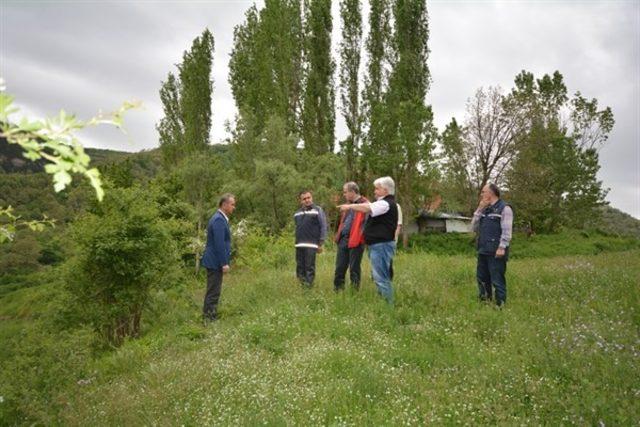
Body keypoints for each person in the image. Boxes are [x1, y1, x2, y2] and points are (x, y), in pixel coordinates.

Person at [339, 176, 398, 303]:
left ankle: (387, 305)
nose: (375, 191)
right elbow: (368, 205)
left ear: (386, 190)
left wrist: (349, 207)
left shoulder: (386, 203)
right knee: (379, 276)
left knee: (381, 277)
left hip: (381, 245)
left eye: (377, 189)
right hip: (377, 245)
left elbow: (367, 208)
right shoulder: (383, 203)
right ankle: (384, 302)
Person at [471, 183, 513, 307]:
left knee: (497, 279)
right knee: (482, 278)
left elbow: (507, 231)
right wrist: (479, 209)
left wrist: (502, 247)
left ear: (490, 193)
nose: (482, 194)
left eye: (483, 192)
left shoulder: (505, 208)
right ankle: (485, 301)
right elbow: (473, 227)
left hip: (496, 251)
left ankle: (500, 305)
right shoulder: (484, 210)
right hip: (483, 249)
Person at [201, 193, 236, 322]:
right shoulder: (218, 220)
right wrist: (224, 263)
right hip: (215, 261)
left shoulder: (220, 218)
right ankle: (209, 319)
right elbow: (219, 243)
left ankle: (210, 316)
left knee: (214, 290)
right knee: (213, 291)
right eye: (232, 204)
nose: (234, 207)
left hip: (215, 261)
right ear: (224, 205)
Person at [333, 182, 369, 291]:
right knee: (340, 267)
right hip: (343, 239)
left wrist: (362, 237)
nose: (344, 194)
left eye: (345, 192)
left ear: (352, 192)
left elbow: (367, 223)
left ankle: (354, 292)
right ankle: (338, 291)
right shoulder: (347, 205)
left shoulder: (366, 204)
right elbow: (343, 222)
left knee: (354, 268)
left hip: (357, 240)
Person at [294, 190, 328, 287]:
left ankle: (308, 288)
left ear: (311, 198)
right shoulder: (297, 213)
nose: (307, 200)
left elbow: (323, 226)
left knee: (309, 267)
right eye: (304, 199)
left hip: (312, 245)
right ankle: (302, 286)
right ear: (301, 201)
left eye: (309, 198)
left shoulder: (318, 210)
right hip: (299, 244)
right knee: (300, 267)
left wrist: (320, 243)